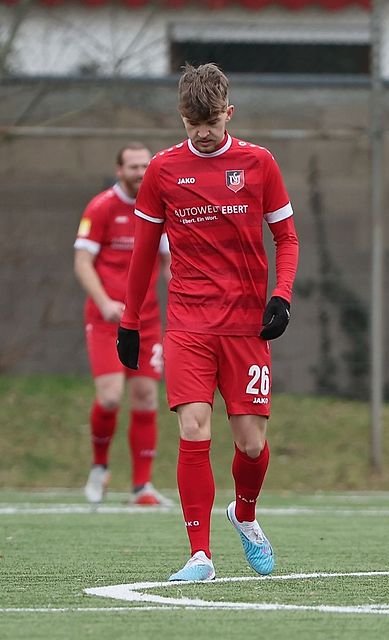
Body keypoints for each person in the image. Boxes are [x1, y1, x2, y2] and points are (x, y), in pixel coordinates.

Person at [117, 63, 299, 581]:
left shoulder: (259, 163)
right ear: (181, 116)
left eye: (212, 123)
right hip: (189, 324)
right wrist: (131, 322)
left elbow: (287, 239)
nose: (203, 133)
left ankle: (244, 514)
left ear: (229, 114)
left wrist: (281, 297)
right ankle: (200, 555)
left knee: (251, 444)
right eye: (193, 123)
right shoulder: (162, 171)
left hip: (245, 326)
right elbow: (144, 253)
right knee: (193, 430)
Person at [74, 143, 172, 506]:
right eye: (133, 166)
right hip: (106, 320)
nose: (141, 172)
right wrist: (103, 302)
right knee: (111, 396)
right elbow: (82, 262)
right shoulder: (101, 207)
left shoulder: (159, 208)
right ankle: (99, 467)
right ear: (119, 170)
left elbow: (168, 264)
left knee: (146, 397)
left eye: (146, 165)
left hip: (147, 321)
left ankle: (141, 487)